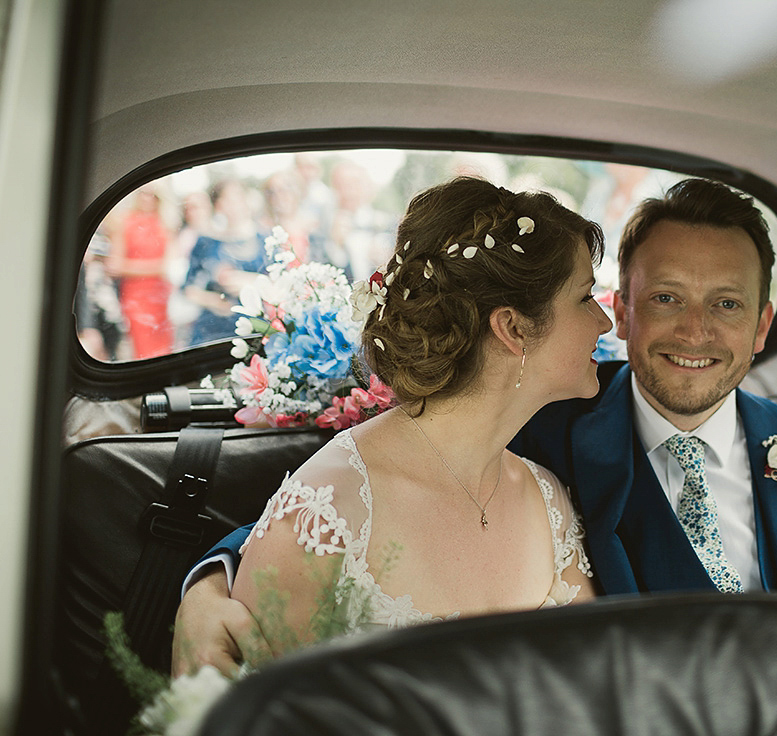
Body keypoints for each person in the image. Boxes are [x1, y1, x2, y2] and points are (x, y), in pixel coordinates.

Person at [173, 178, 777, 675]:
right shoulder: (545, 424)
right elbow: (357, 508)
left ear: (764, 324)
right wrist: (209, 586)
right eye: (668, 297)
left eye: (729, 305)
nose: (697, 329)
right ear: (625, 307)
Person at [211, 178, 606, 661]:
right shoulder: (328, 512)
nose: (604, 323)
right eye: (586, 298)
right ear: (513, 328)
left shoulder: (549, 502)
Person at [182, 178, 267, 345]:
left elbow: (280, 284)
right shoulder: (206, 242)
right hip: (212, 330)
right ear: (218, 205)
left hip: (256, 329)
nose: (234, 204)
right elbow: (188, 289)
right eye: (227, 199)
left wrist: (251, 281)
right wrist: (213, 301)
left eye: (238, 197)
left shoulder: (266, 241)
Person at [105, 181, 175, 359]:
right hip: (136, 294)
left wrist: (139, 267)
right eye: (143, 193)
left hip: (161, 294)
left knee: (164, 345)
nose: (147, 198)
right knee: (142, 345)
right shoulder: (125, 222)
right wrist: (156, 267)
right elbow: (115, 264)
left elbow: (169, 264)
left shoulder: (164, 224)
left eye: (152, 194)